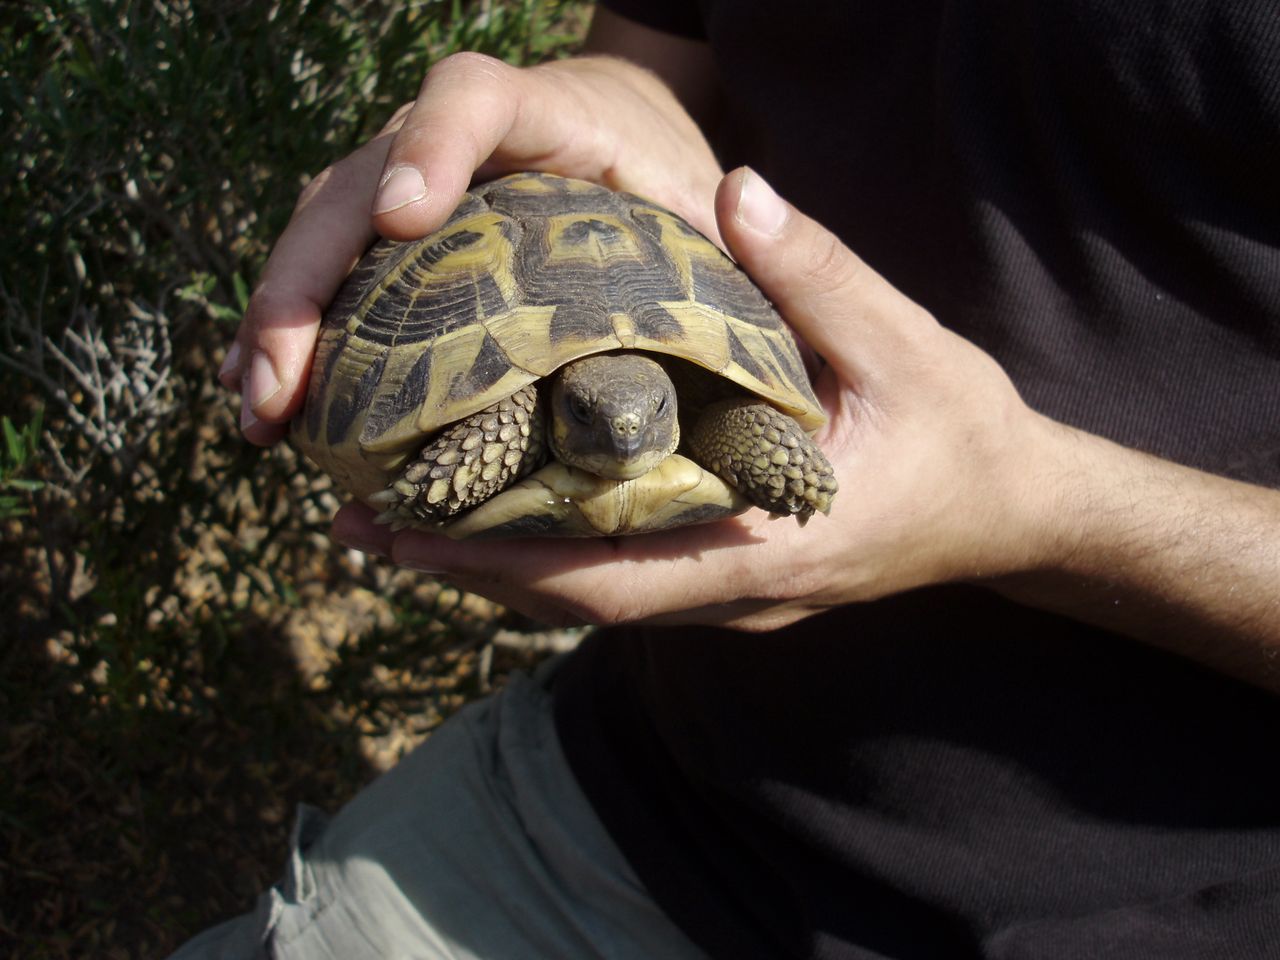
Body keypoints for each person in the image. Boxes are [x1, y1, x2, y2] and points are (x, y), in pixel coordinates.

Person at [183, 2, 1280, 957]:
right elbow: (651, 63)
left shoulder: (718, 424)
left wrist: (1032, 508)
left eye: (644, 419)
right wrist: (598, 97)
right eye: (582, 418)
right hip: (638, 789)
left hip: (1145, 914)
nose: (618, 437)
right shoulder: (570, 413)